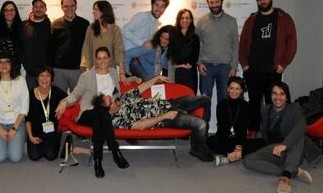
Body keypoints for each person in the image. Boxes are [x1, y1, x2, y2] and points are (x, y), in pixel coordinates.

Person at [56, 47, 130, 178]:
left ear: (109, 59)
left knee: (99, 121)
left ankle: (97, 161)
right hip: (87, 113)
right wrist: (64, 102)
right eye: (99, 58)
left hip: (105, 115)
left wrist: (117, 102)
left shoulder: (113, 72)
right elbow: (75, 94)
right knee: (101, 114)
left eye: (105, 58)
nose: (102, 61)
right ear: (95, 60)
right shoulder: (87, 76)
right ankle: (115, 152)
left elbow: (119, 91)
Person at [103, 75, 213, 162]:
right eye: (111, 101)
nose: (114, 99)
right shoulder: (117, 120)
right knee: (200, 124)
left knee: (206, 99)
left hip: (170, 103)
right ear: (108, 110)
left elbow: (141, 87)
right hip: (166, 119)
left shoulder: (122, 98)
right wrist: (163, 116)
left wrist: (157, 78)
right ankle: (197, 148)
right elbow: (141, 126)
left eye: (111, 98)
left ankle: (200, 139)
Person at [239, 0, 297, 137]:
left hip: (273, 70)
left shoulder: (284, 18)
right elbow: (243, 43)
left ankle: (272, 132)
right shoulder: (252, 20)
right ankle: (252, 130)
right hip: (253, 70)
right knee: (254, 102)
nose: (262, 1)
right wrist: (245, 64)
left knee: (274, 103)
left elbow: (292, 43)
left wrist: (283, 64)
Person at [242, 82, 312, 193]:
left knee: (299, 137)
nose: (277, 97)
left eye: (281, 94)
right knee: (248, 160)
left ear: (287, 96)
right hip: (273, 150)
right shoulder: (265, 110)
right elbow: (262, 131)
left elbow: (301, 126)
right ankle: (291, 171)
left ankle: (285, 178)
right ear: (270, 95)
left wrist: (285, 144)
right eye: (274, 93)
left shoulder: (294, 108)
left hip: (292, 150)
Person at [196, 0, 239, 122]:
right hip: (206, 67)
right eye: (211, 2)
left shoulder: (231, 21)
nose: (214, 5)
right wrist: (198, 62)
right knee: (204, 101)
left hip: (225, 67)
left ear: (222, 1)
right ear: (207, 3)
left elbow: (235, 45)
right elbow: (196, 45)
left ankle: (223, 132)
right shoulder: (201, 21)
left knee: (224, 101)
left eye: (217, 2)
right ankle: (203, 131)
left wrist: (234, 66)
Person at [206, 76, 266, 166]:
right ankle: (235, 154)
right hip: (224, 138)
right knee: (210, 140)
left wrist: (239, 146)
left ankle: (229, 156)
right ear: (227, 89)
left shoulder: (246, 105)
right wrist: (233, 146)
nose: (234, 91)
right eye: (232, 88)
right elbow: (223, 127)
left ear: (241, 90)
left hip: (239, 139)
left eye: (237, 89)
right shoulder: (221, 104)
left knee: (262, 142)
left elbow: (243, 127)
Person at [0, 52, 29, 163]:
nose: (4, 65)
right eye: (0, 62)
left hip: (17, 123)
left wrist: (14, 128)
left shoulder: (20, 81)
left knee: (15, 158)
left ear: (11, 64)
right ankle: (2, 140)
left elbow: (24, 107)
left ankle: (20, 140)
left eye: (7, 61)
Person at [26, 66, 67, 161]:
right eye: (42, 75)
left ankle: (63, 140)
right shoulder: (30, 94)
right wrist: (30, 136)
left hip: (52, 130)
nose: (44, 79)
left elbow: (71, 99)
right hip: (35, 131)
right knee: (34, 156)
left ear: (52, 79)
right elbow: (27, 119)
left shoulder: (57, 91)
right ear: (37, 78)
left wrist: (65, 102)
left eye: (48, 76)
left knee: (50, 156)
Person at [80, 0, 127, 83]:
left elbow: (119, 51)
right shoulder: (91, 28)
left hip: (109, 72)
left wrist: (121, 72)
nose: (93, 12)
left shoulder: (115, 29)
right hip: (93, 72)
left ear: (103, 11)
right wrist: (87, 69)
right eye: (93, 9)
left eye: (96, 9)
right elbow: (86, 49)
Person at [51, 0, 90, 93]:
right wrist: (51, 71)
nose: (69, 9)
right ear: (62, 7)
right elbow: (50, 48)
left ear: (76, 6)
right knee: (59, 101)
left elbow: (89, 47)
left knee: (77, 102)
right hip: (58, 70)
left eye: (72, 5)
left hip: (78, 70)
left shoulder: (85, 24)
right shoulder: (55, 24)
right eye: (66, 6)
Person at [18, 0, 51, 89]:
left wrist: (50, 69)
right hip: (30, 72)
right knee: (31, 99)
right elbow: (19, 47)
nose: (38, 9)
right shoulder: (24, 26)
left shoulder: (51, 26)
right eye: (36, 6)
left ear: (45, 9)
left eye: (41, 6)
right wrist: (26, 65)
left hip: (46, 73)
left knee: (46, 99)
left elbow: (53, 49)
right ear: (32, 9)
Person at [0, 1, 22, 78]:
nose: (9, 12)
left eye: (12, 10)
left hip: (14, 67)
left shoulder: (21, 27)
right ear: (3, 12)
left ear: (15, 12)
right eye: (6, 10)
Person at [169, 9, 200, 94]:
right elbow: (171, 54)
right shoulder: (172, 35)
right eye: (182, 18)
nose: (184, 20)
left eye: (187, 18)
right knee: (177, 97)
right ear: (178, 20)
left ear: (190, 20)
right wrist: (179, 65)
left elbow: (195, 55)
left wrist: (189, 64)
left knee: (190, 97)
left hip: (190, 71)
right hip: (176, 71)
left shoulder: (195, 37)